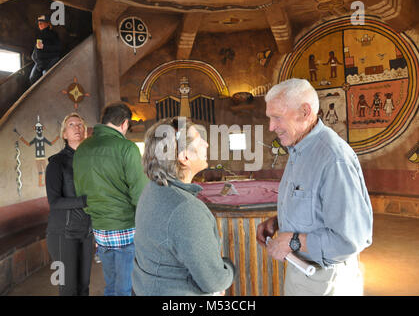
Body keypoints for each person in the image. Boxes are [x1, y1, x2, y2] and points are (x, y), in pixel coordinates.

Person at [256, 78, 373, 296]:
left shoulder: (333, 158)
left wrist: (292, 241)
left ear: (305, 112)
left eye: (277, 117)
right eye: (270, 118)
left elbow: (350, 240)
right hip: (302, 271)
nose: (271, 127)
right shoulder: (299, 148)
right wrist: (279, 222)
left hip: (327, 280)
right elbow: (315, 207)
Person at [132, 117, 236, 295]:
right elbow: (214, 281)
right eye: (199, 139)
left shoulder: (152, 189)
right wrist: (229, 267)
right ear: (184, 157)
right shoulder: (185, 209)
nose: (206, 144)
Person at [73, 102, 148, 296]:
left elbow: (80, 189)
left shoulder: (82, 148)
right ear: (124, 124)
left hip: (100, 228)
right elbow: (139, 193)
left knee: (111, 284)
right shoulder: (127, 148)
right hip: (125, 226)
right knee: (125, 287)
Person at [45, 112, 93, 296]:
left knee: (84, 287)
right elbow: (54, 201)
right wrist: (85, 201)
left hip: (86, 232)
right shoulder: (56, 163)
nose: (77, 128)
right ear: (64, 134)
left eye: (80, 125)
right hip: (62, 234)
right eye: (72, 125)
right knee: (68, 289)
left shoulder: (91, 161)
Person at [29, 14, 62, 84]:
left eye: (41, 23)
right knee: (32, 78)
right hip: (39, 63)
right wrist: (34, 56)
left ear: (47, 23)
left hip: (49, 62)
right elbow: (37, 49)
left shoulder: (53, 35)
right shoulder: (40, 35)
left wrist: (44, 47)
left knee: (46, 80)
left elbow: (58, 48)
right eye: (38, 24)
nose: (39, 25)